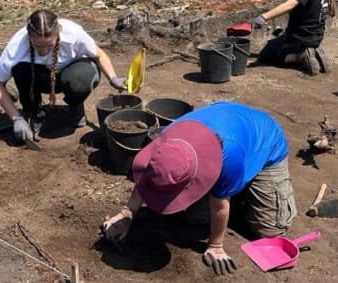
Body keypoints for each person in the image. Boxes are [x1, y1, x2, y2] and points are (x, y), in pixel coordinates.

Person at [102, 101, 296, 276]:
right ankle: (233, 186)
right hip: (227, 123)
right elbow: (148, 178)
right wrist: (127, 212)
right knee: (194, 218)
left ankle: (238, 185)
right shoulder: (167, 144)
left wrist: (215, 245)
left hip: (264, 145)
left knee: (270, 230)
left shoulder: (228, 154)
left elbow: (219, 206)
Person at [0, 9, 127, 141]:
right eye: (37, 46)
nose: (43, 51)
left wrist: (113, 78)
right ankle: (33, 113)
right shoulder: (17, 47)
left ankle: (75, 105)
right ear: (29, 37)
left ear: (58, 34)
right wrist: (16, 118)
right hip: (40, 78)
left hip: (70, 74)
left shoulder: (74, 35)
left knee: (80, 79)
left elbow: (99, 55)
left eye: (49, 45)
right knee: (20, 68)